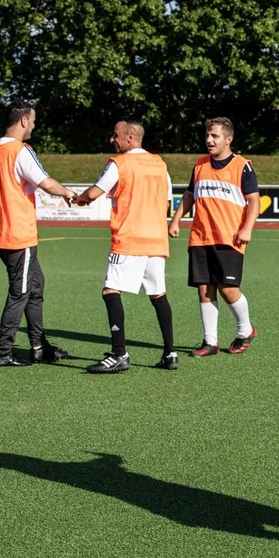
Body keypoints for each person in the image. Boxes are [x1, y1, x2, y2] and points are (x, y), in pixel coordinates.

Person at [0, 100, 76, 367]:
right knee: (20, 292)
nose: (33, 125)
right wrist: (67, 192)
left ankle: (39, 345)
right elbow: (45, 183)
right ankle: (3, 352)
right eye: (33, 120)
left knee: (35, 285)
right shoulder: (20, 151)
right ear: (23, 121)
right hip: (19, 234)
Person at [74, 120, 177, 373]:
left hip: (130, 238)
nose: (112, 139)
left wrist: (79, 199)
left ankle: (119, 353)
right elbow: (166, 203)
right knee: (158, 295)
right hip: (156, 240)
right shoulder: (160, 164)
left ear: (130, 138)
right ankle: (170, 353)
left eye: (116, 135)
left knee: (111, 291)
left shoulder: (120, 163)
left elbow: (94, 193)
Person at [168, 117, 260, 357]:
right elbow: (189, 195)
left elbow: (254, 200)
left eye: (215, 136)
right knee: (204, 289)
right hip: (200, 237)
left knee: (228, 288)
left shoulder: (242, 166)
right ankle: (210, 342)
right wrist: (176, 220)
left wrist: (247, 228)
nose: (209, 140)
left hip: (230, 237)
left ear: (228, 139)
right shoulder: (199, 165)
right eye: (208, 135)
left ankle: (245, 330)